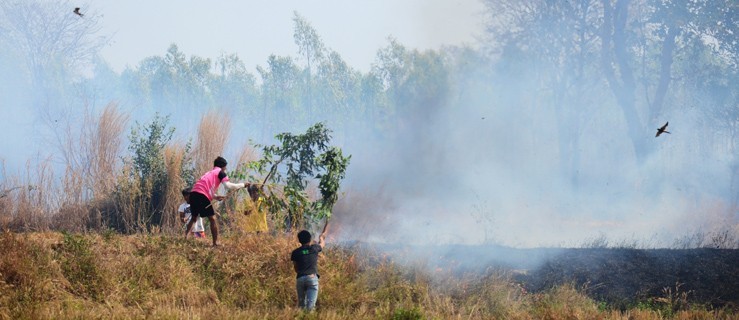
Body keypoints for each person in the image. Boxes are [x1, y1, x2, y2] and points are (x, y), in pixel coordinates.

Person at [185, 156, 249, 246]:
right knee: (212, 219)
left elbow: (204, 188)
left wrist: (215, 197)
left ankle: (185, 238)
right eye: (225, 167)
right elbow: (228, 186)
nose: (225, 169)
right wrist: (243, 185)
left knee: (194, 217)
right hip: (202, 195)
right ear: (222, 166)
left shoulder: (209, 173)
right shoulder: (220, 172)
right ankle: (215, 243)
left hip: (194, 193)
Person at [290, 228, 327, 311]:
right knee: (310, 308)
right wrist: (321, 237)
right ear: (310, 239)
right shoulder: (314, 248)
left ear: (299, 240)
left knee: (301, 306)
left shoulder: (295, 252)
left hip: (300, 278)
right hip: (312, 279)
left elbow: (296, 268)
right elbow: (322, 244)